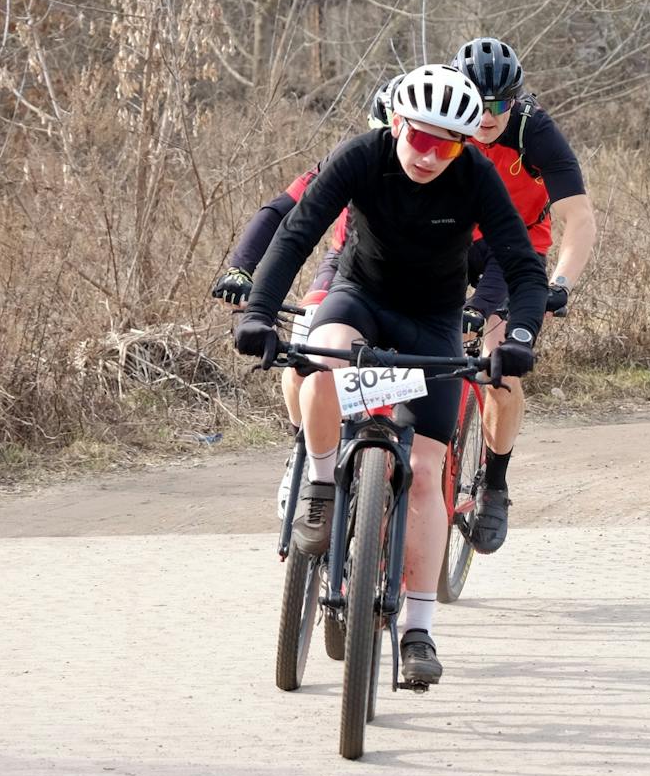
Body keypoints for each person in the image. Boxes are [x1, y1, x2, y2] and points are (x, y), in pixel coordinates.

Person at [232, 63, 548, 688]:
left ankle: (418, 630)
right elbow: (295, 234)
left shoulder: (476, 175)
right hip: (360, 299)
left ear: (465, 146)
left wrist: (517, 337)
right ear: (397, 123)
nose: (429, 156)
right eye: (421, 138)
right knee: (321, 359)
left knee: (427, 471)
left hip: (432, 321)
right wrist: (259, 313)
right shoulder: (361, 156)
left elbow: (523, 265)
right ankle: (322, 487)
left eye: (447, 146)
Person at [212, 74, 404, 515]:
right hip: (345, 267)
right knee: (305, 345)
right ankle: (302, 445)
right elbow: (280, 212)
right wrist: (242, 269)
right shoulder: (350, 159)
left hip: (419, 275)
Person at [450, 37, 595, 555]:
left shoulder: (535, 131)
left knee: (500, 366)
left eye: (501, 104)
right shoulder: (442, 118)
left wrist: (561, 284)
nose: (488, 116)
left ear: (517, 99)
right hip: (448, 244)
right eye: (477, 102)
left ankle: (494, 483)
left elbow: (578, 217)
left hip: (516, 250)